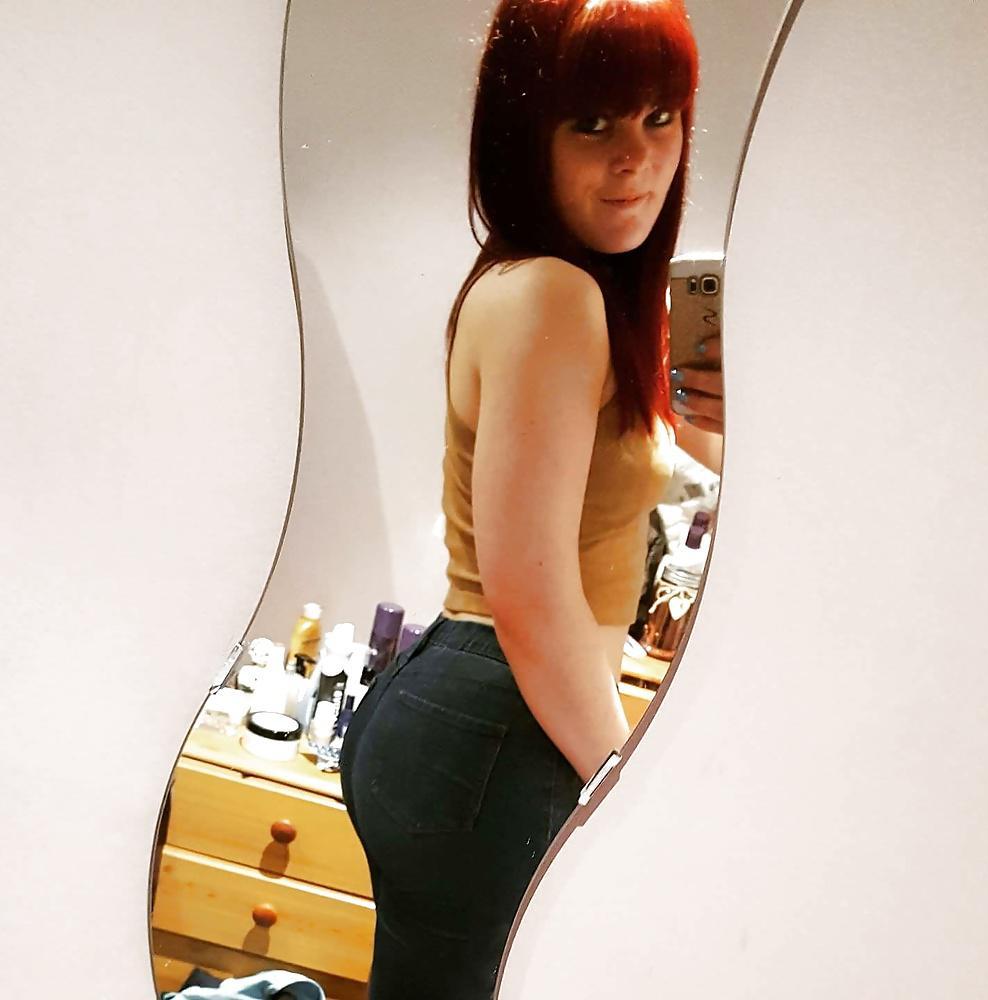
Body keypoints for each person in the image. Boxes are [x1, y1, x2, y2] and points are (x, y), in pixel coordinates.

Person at [339, 1, 717, 996]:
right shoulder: (556, 296)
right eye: (592, 122)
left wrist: (713, 418)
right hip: (502, 723)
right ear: (525, 134)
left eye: (659, 117)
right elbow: (530, 592)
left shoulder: (531, 286)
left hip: (471, 717)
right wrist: (624, 787)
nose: (636, 157)